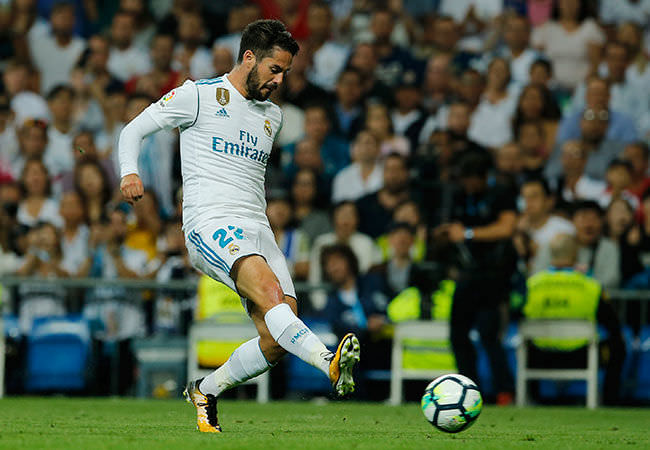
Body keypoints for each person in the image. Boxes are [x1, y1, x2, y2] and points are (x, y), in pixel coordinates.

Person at [118, 20, 360, 433]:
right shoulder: (198, 96)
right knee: (270, 294)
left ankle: (205, 390)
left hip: (258, 227)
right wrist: (129, 172)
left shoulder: (273, 117)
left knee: (277, 334)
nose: (279, 80)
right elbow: (134, 128)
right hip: (210, 221)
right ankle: (328, 363)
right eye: (274, 69)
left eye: (285, 72)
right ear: (249, 57)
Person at [522, 233, 625, 405]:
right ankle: (610, 400)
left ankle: (534, 398)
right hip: (581, 356)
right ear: (576, 254)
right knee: (618, 345)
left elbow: (519, 315)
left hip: (541, 357)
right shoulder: (591, 286)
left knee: (525, 343)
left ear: (551, 254)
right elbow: (613, 325)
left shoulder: (530, 285)